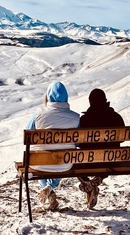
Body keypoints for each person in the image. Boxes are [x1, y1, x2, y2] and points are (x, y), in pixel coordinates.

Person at [26, 81, 80, 210]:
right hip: (65, 163)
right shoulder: (75, 117)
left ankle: (47, 188)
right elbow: (77, 142)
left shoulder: (38, 114)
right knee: (60, 158)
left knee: (44, 158)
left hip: (38, 162)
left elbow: (28, 136)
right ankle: (50, 187)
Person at [78, 88, 125, 208]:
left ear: (90, 102)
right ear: (105, 100)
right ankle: (98, 178)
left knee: (73, 161)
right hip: (112, 160)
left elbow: (78, 143)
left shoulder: (84, 120)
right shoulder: (116, 117)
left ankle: (87, 183)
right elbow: (122, 138)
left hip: (88, 161)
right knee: (108, 158)